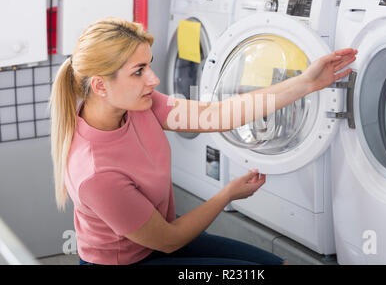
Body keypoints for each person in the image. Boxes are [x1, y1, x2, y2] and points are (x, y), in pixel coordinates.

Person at [49, 17, 357, 265]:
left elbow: (218, 115)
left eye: (150, 65)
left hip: (159, 243)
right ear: (101, 86)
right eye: (139, 71)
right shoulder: (95, 173)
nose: (153, 79)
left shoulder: (139, 106)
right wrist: (227, 194)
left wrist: (307, 82)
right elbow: (168, 239)